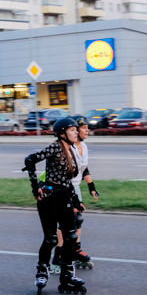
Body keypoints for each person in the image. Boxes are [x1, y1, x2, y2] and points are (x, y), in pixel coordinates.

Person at [23, 118, 87, 295]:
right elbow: (30, 160)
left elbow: (68, 180)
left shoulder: (72, 150)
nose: (76, 132)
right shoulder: (55, 147)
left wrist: (76, 200)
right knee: (51, 239)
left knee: (70, 237)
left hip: (65, 195)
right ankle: (42, 271)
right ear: (62, 133)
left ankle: (67, 276)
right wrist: (35, 186)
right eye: (73, 130)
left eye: (76, 130)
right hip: (49, 197)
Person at [51, 115, 99, 273]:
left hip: (75, 187)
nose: (87, 130)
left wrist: (91, 186)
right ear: (75, 130)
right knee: (68, 221)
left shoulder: (83, 147)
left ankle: (75, 249)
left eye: (87, 127)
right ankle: (58, 254)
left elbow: (84, 168)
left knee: (77, 220)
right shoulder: (67, 148)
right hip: (63, 188)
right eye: (84, 127)